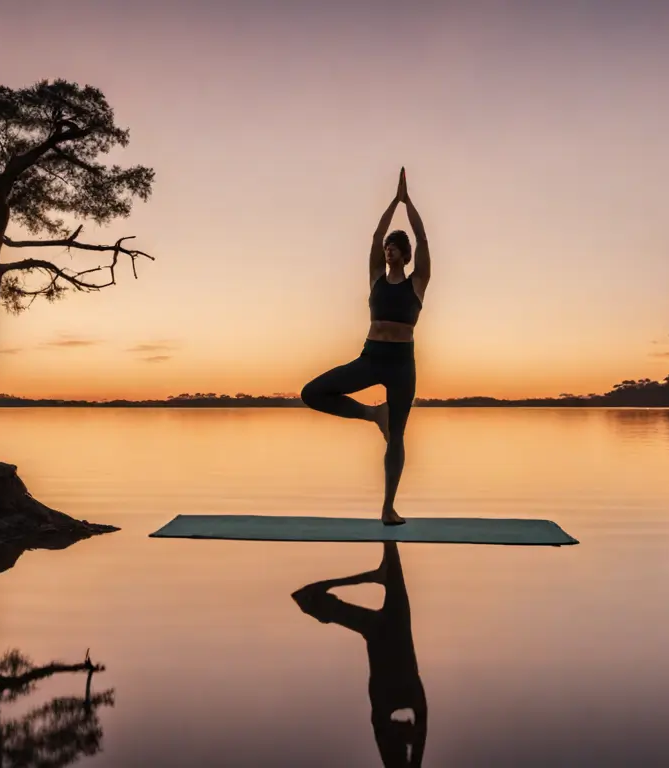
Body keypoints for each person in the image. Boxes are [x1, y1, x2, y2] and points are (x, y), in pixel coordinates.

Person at [300, 168, 431, 525]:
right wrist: (393, 201)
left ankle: (388, 508)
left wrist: (409, 201)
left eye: (394, 248)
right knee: (311, 393)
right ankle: (374, 414)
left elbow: (422, 238)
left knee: (398, 437)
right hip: (372, 357)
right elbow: (374, 235)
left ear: (404, 255)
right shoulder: (375, 277)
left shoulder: (418, 282)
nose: (388, 250)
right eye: (387, 247)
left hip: (403, 364)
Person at [291, 542, 427, 767]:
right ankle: (376, 569)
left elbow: (303, 597)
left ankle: (374, 573)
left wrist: (367, 578)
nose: (406, 729)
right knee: (390, 558)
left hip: (386, 636)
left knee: (310, 599)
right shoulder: (402, 707)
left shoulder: (395, 707)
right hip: (392, 633)